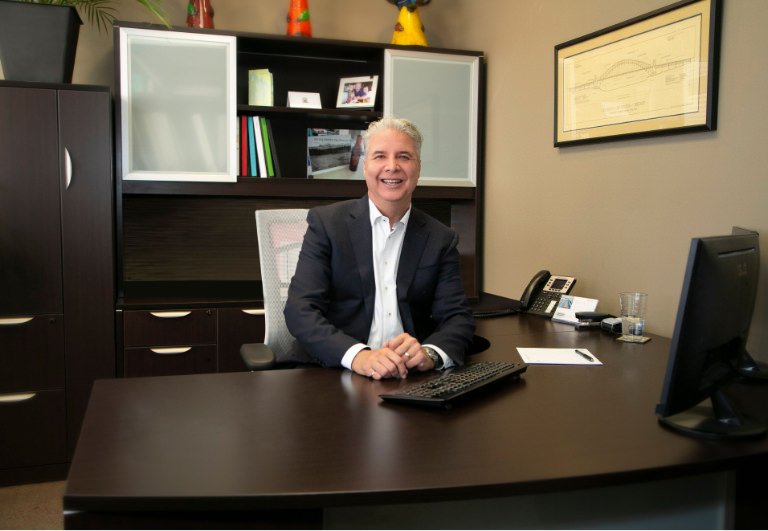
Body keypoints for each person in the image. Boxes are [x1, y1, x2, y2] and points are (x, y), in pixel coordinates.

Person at [284, 117, 475, 379]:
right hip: (335, 370)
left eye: (404, 157)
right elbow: (300, 310)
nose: (392, 166)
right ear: (365, 166)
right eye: (380, 156)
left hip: (407, 376)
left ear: (418, 168)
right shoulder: (327, 224)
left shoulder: (440, 238)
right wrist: (358, 356)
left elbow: (457, 317)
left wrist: (429, 354)